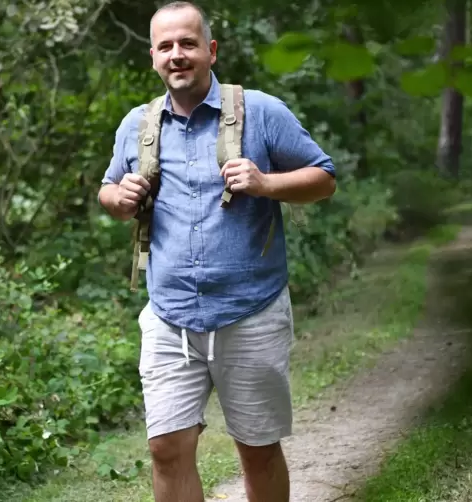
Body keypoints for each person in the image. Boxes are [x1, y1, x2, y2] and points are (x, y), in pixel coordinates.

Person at [97, 2, 336, 501]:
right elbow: (110, 190)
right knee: (166, 447)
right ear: (153, 57)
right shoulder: (138, 125)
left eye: (187, 43)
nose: (177, 55)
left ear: (210, 50)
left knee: (257, 449)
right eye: (165, 46)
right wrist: (117, 200)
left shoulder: (262, 112)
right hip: (169, 315)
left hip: (250, 311)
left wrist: (266, 182)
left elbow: (323, 178)